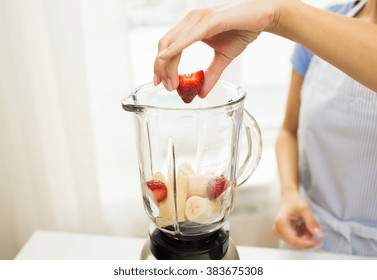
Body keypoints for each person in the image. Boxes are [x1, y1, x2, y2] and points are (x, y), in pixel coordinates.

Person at [153, 0, 377, 257]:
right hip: (313, 235)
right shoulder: (327, 23)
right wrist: (291, 194)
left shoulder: (313, 25)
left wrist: (277, 13)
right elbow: (288, 132)